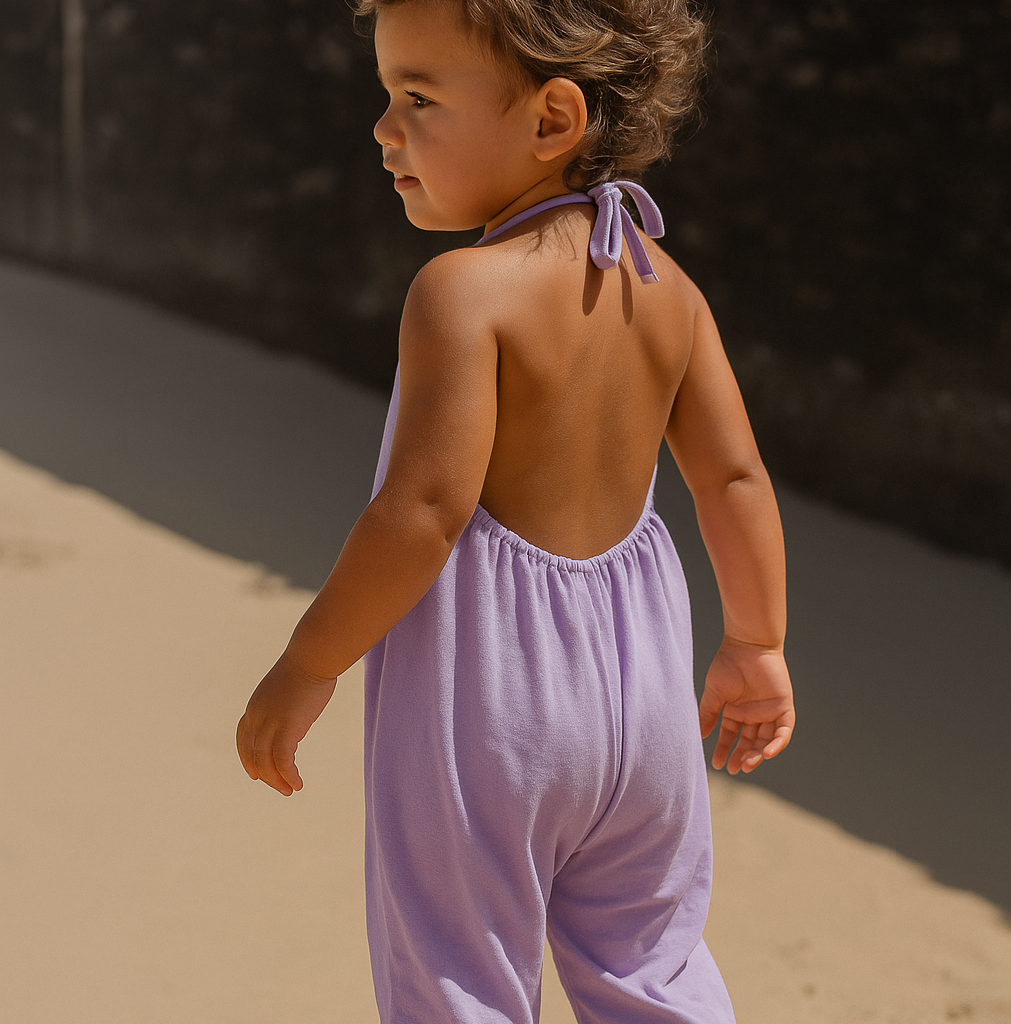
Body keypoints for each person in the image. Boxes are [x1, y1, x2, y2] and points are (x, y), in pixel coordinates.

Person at [237, 0, 795, 1019]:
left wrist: (308, 662)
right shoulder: (667, 286)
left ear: (550, 120)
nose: (382, 126)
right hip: (646, 704)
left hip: (492, 709)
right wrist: (756, 644)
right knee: (648, 963)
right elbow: (735, 480)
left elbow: (423, 511)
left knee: (457, 969)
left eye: (416, 96)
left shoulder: (462, 292)